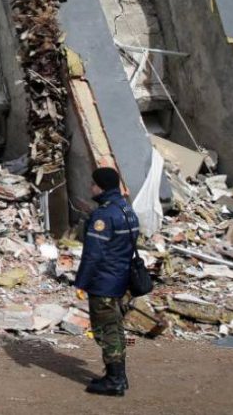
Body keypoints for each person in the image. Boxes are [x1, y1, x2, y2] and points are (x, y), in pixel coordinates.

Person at [74, 167, 140, 397]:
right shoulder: (126, 209)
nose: (90, 187)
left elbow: (94, 254)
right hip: (120, 279)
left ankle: (115, 380)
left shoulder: (103, 215)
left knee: (106, 330)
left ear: (101, 186)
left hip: (103, 281)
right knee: (115, 327)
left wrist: (81, 282)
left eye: (93, 184)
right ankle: (118, 376)